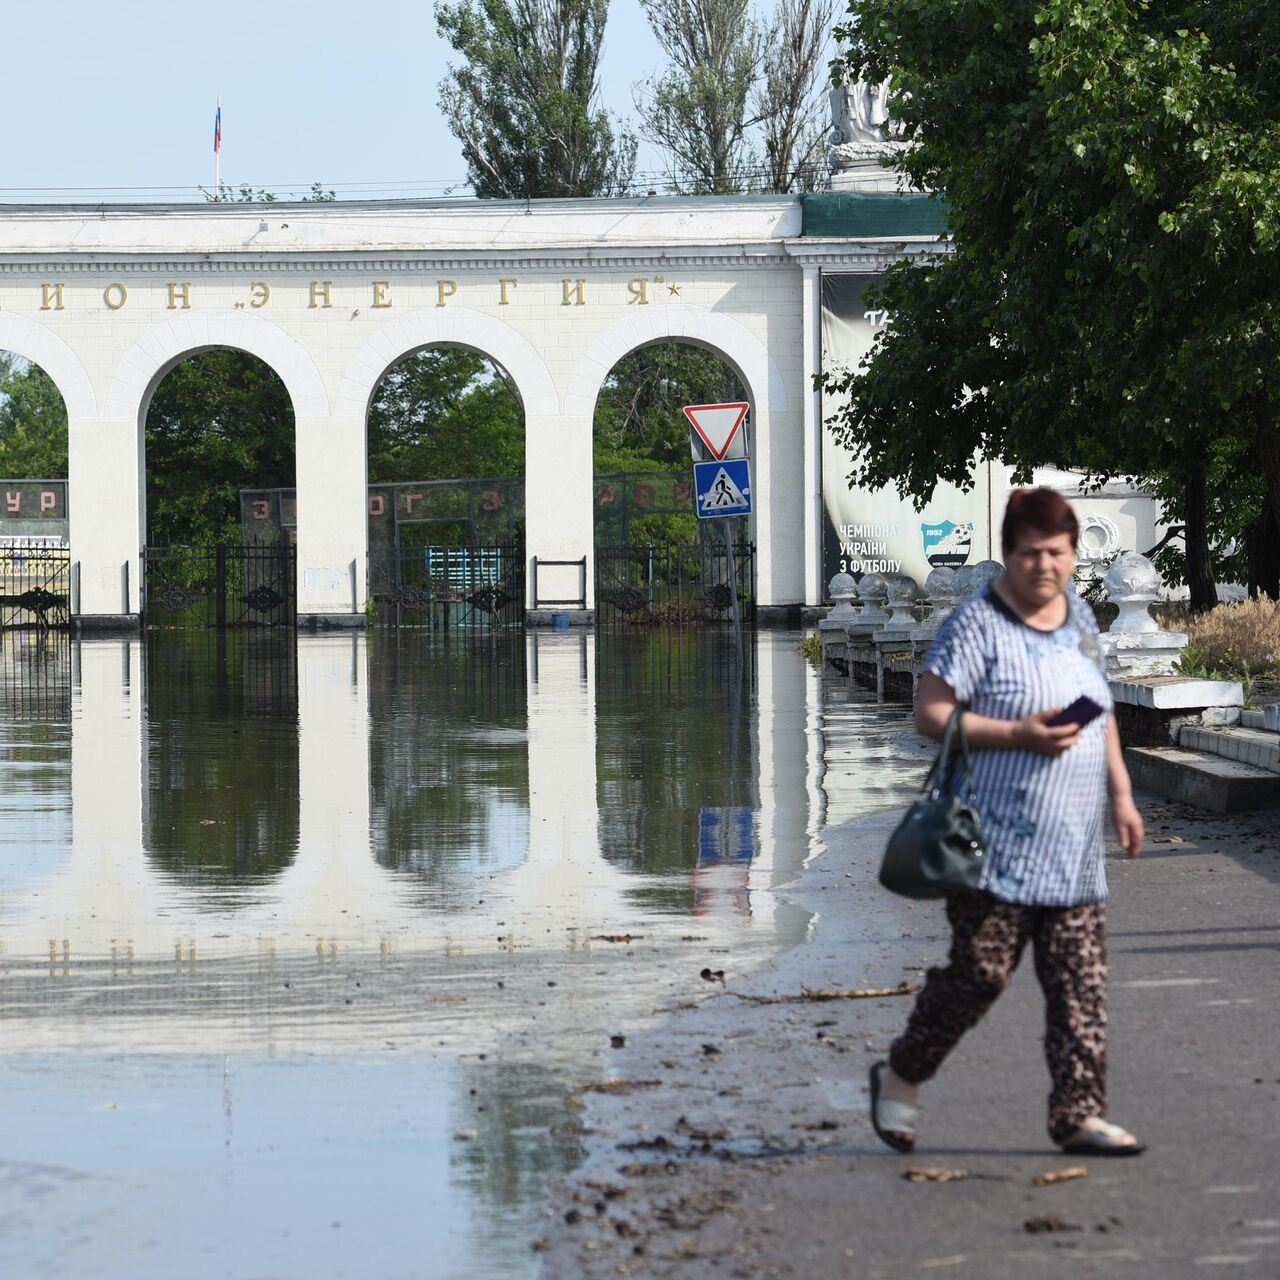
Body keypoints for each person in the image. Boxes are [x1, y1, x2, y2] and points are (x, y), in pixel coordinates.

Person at [870, 487, 1146, 1156]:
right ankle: (902, 1074)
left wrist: (1121, 792)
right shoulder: (975, 623)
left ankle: (1079, 1114)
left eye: (1056, 553)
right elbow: (931, 715)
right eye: (1029, 554)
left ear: (1076, 555)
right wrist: (1016, 733)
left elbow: (1097, 710)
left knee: (1081, 987)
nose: (1043, 566)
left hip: (1072, 845)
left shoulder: (1080, 616)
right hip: (992, 842)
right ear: (1007, 554)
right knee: (980, 975)